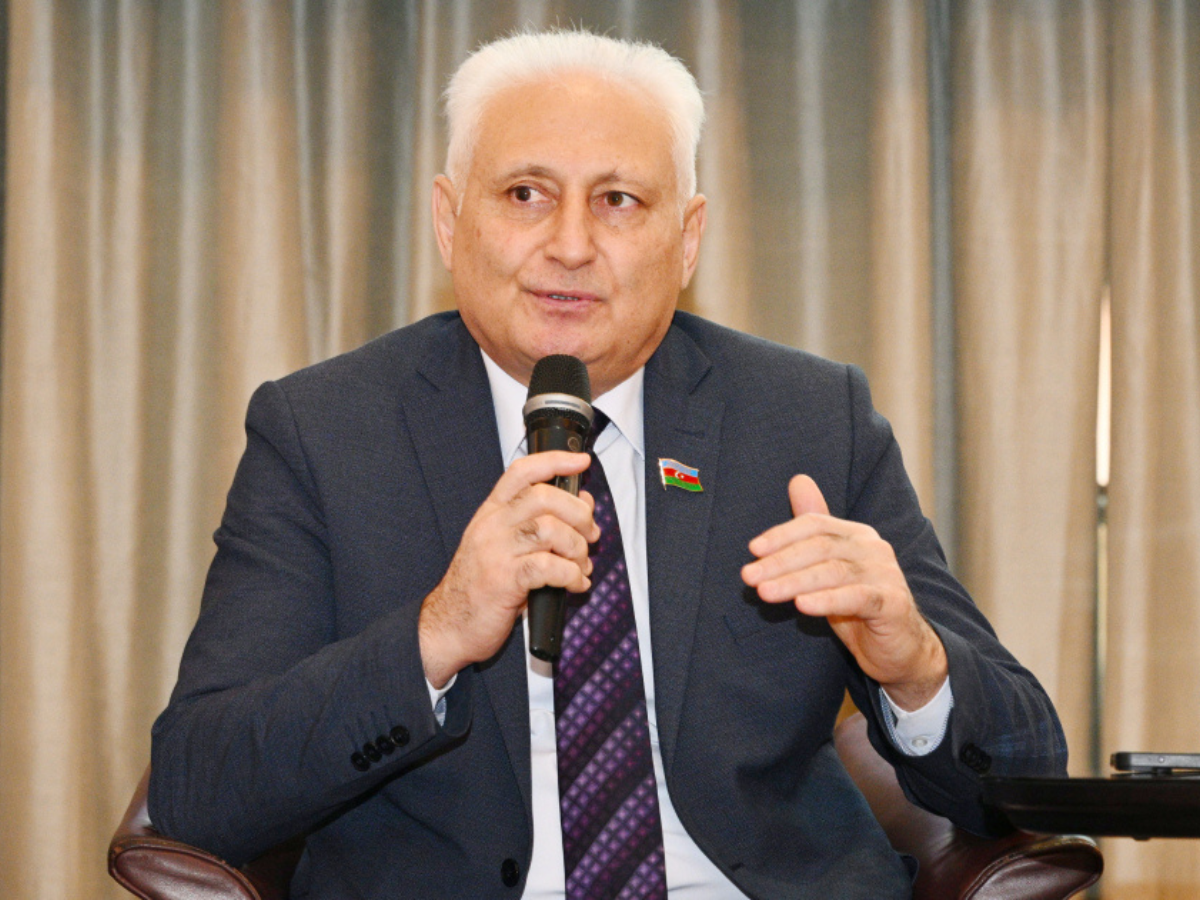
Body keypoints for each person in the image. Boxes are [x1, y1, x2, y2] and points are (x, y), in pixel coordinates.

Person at [149, 29, 1066, 900]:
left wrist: (916, 666)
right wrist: (437, 633)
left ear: (688, 238)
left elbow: (1030, 772)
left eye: (618, 200)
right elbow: (200, 784)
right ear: (449, 220)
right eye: (526, 194)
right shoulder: (324, 431)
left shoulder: (807, 421)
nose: (571, 245)